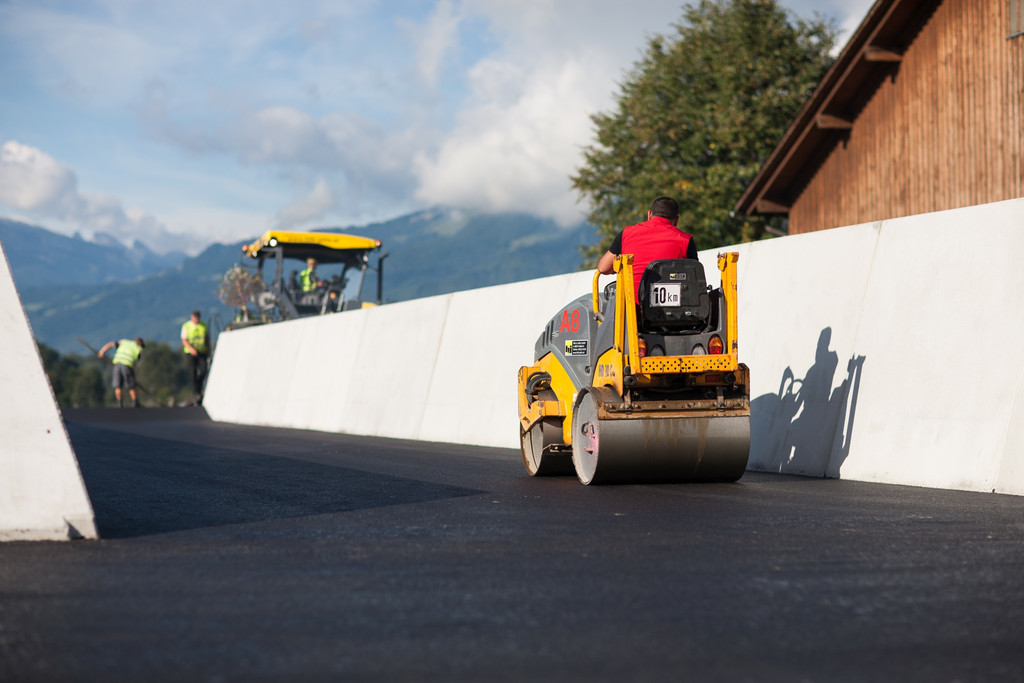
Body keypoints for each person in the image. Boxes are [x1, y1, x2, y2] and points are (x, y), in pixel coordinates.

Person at [597, 196, 698, 300]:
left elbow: (603, 268)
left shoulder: (627, 233)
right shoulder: (685, 240)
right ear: (676, 220)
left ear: (649, 214)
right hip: (672, 306)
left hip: (632, 304)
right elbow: (695, 278)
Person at [97, 337, 145, 407]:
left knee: (118, 385)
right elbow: (137, 360)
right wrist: (132, 371)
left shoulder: (124, 342)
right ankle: (135, 403)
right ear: (140, 344)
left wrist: (101, 352)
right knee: (131, 385)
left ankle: (119, 403)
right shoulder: (138, 349)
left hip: (117, 364)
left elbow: (110, 344)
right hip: (127, 365)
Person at [180, 310, 210, 405]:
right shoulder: (186, 326)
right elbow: (184, 340)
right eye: (195, 317)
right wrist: (191, 349)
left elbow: (206, 338)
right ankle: (196, 393)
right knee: (193, 373)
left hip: (202, 351)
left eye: (198, 318)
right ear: (192, 317)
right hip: (190, 353)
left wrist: (208, 349)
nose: (197, 319)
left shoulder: (203, 325)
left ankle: (199, 386)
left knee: (204, 370)